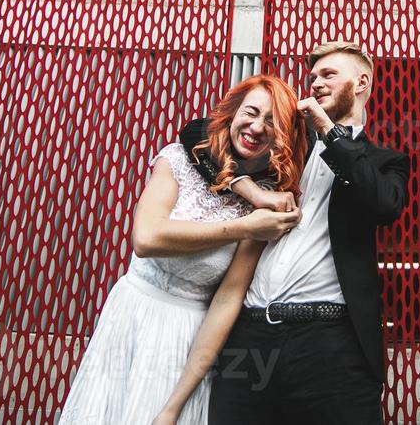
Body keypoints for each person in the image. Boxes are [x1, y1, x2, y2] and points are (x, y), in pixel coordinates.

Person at [177, 41, 411, 425]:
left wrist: (329, 131)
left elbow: (384, 205)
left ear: (362, 82)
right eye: (313, 76)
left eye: (328, 75)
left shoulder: (386, 162)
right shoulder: (283, 139)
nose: (315, 83)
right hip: (249, 336)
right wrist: (249, 189)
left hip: (333, 342)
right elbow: (197, 131)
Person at [56, 74, 306, 425]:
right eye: (251, 112)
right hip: (130, 314)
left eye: (272, 121)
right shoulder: (178, 160)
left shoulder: (266, 207)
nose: (256, 127)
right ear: (233, 113)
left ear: (283, 138)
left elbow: (227, 300)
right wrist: (244, 226)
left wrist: (174, 404)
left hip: (187, 338)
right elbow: (146, 239)